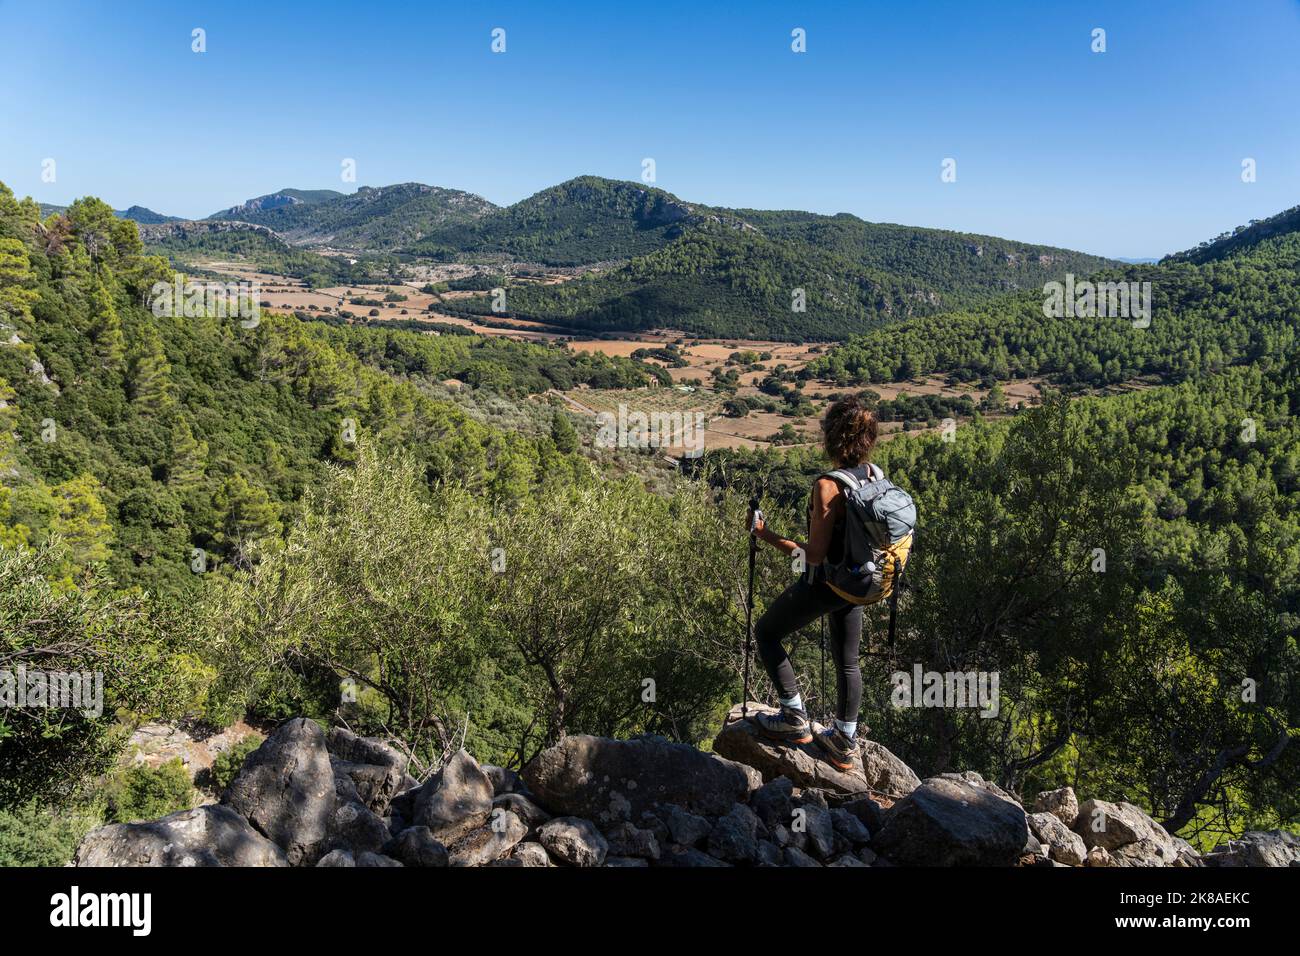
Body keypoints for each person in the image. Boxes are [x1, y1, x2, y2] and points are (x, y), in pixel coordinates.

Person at [746, 394, 880, 771]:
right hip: (861, 579)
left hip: (830, 582)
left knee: (767, 633)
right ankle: (844, 740)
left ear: (832, 438)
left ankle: (793, 717)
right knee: (848, 662)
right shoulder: (873, 474)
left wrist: (764, 534)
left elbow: (814, 555)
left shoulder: (827, 485)